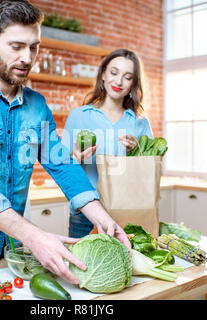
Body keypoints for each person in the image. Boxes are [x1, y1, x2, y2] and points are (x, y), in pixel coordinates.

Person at [0, 0, 129, 285]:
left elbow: (61, 163)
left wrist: (101, 216)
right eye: (16, 46)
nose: (27, 57)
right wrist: (36, 237)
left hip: (11, 246)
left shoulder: (37, 105)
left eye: (34, 46)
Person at [62, 49, 154, 238]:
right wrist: (75, 158)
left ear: (133, 84)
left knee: (125, 267)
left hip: (127, 213)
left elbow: (150, 173)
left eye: (127, 77)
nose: (118, 81)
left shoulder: (140, 123)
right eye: (113, 73)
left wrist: (137, 152)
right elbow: (62, 168)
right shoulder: (78, 116)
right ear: (103, 74)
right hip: (85, 214)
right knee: (81, 266)